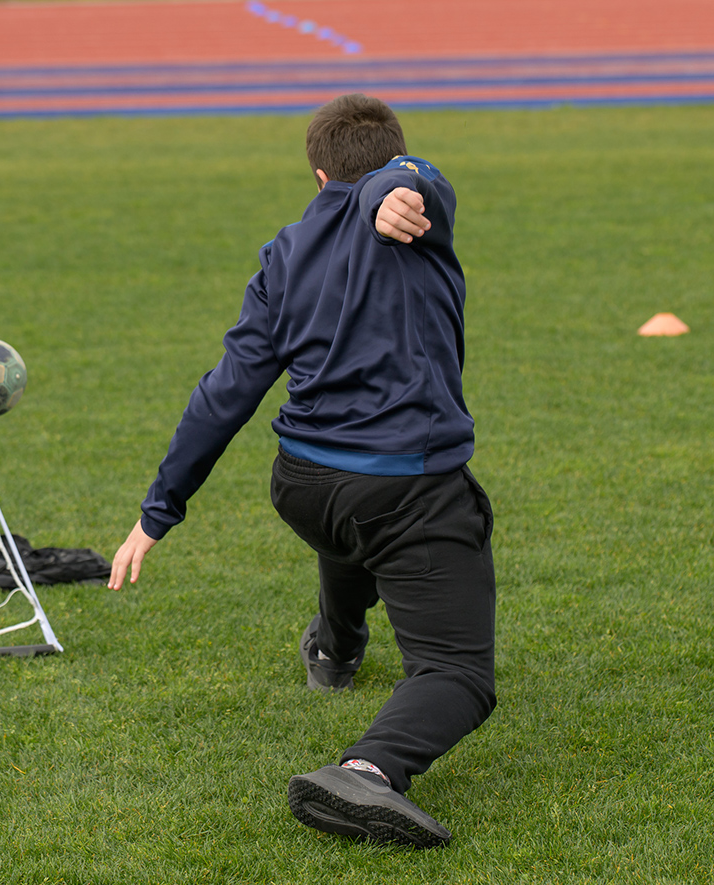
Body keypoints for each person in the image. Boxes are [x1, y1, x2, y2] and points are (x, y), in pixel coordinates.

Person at [108, 93, 495, 849]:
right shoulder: (415, 204)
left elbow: (227, 391)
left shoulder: (307, 242)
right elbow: (410, 179)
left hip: (304, 483)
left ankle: (335, 648)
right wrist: (391, 189)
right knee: (458, 673)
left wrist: (159, 509)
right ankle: (367, 771)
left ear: (319, 177)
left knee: (351, 528)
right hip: (404, 486)